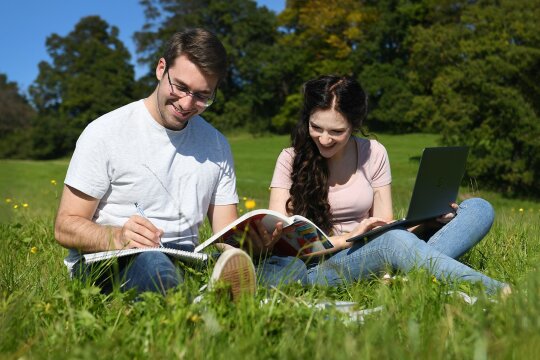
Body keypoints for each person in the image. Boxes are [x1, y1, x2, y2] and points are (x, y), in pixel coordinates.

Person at [54, 28, 268, 301]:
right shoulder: (105, 132)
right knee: (154, 265)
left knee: (286, 266)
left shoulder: (216, 145)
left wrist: (252, 245)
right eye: (180, 87)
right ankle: (200, 305)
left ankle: (200, 297)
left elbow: (225, 236)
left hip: (187, 259)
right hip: (112, 260)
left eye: (203, 96)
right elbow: (65, 225)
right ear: (161, 68)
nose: (188, 103)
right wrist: (117, 236)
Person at [261, 74, 510, 295]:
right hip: (320, 265)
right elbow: (284, 245)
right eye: (316, 127)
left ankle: (402, 273)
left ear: (354, 126)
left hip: (371, 248)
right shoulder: (290, 159)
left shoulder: (374, 152)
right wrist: (347, 238)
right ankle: (497, 291)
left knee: (479, 208)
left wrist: (429, 221)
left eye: (337, 131)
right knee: (394, 244)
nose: (324, 139)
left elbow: (384, 225)